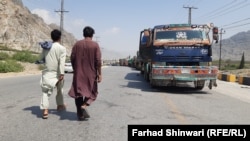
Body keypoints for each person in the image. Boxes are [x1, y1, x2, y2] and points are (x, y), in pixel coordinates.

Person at [68, 26, 102, 121]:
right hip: (91, 73)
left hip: (78, 73)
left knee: (78, 93)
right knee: (93, 92)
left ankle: (80, 114)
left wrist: (76, 68)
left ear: (83, 34)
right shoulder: (95, 45)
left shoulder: (77, 44)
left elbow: (72, 58)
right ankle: (84, 105)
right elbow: (98, 61)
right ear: (92, 35)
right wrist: (99, 74)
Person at [39, 29, 67, 119]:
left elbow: (41, 59)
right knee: (60, 89)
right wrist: (62, 73)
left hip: (47, 72)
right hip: (58, 73)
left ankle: (45, 110)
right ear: (59, 37)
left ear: (52, 37)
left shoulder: (46, 47)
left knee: (45, 92)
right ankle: (60, 105)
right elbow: (61, 62)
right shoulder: (62, 48)